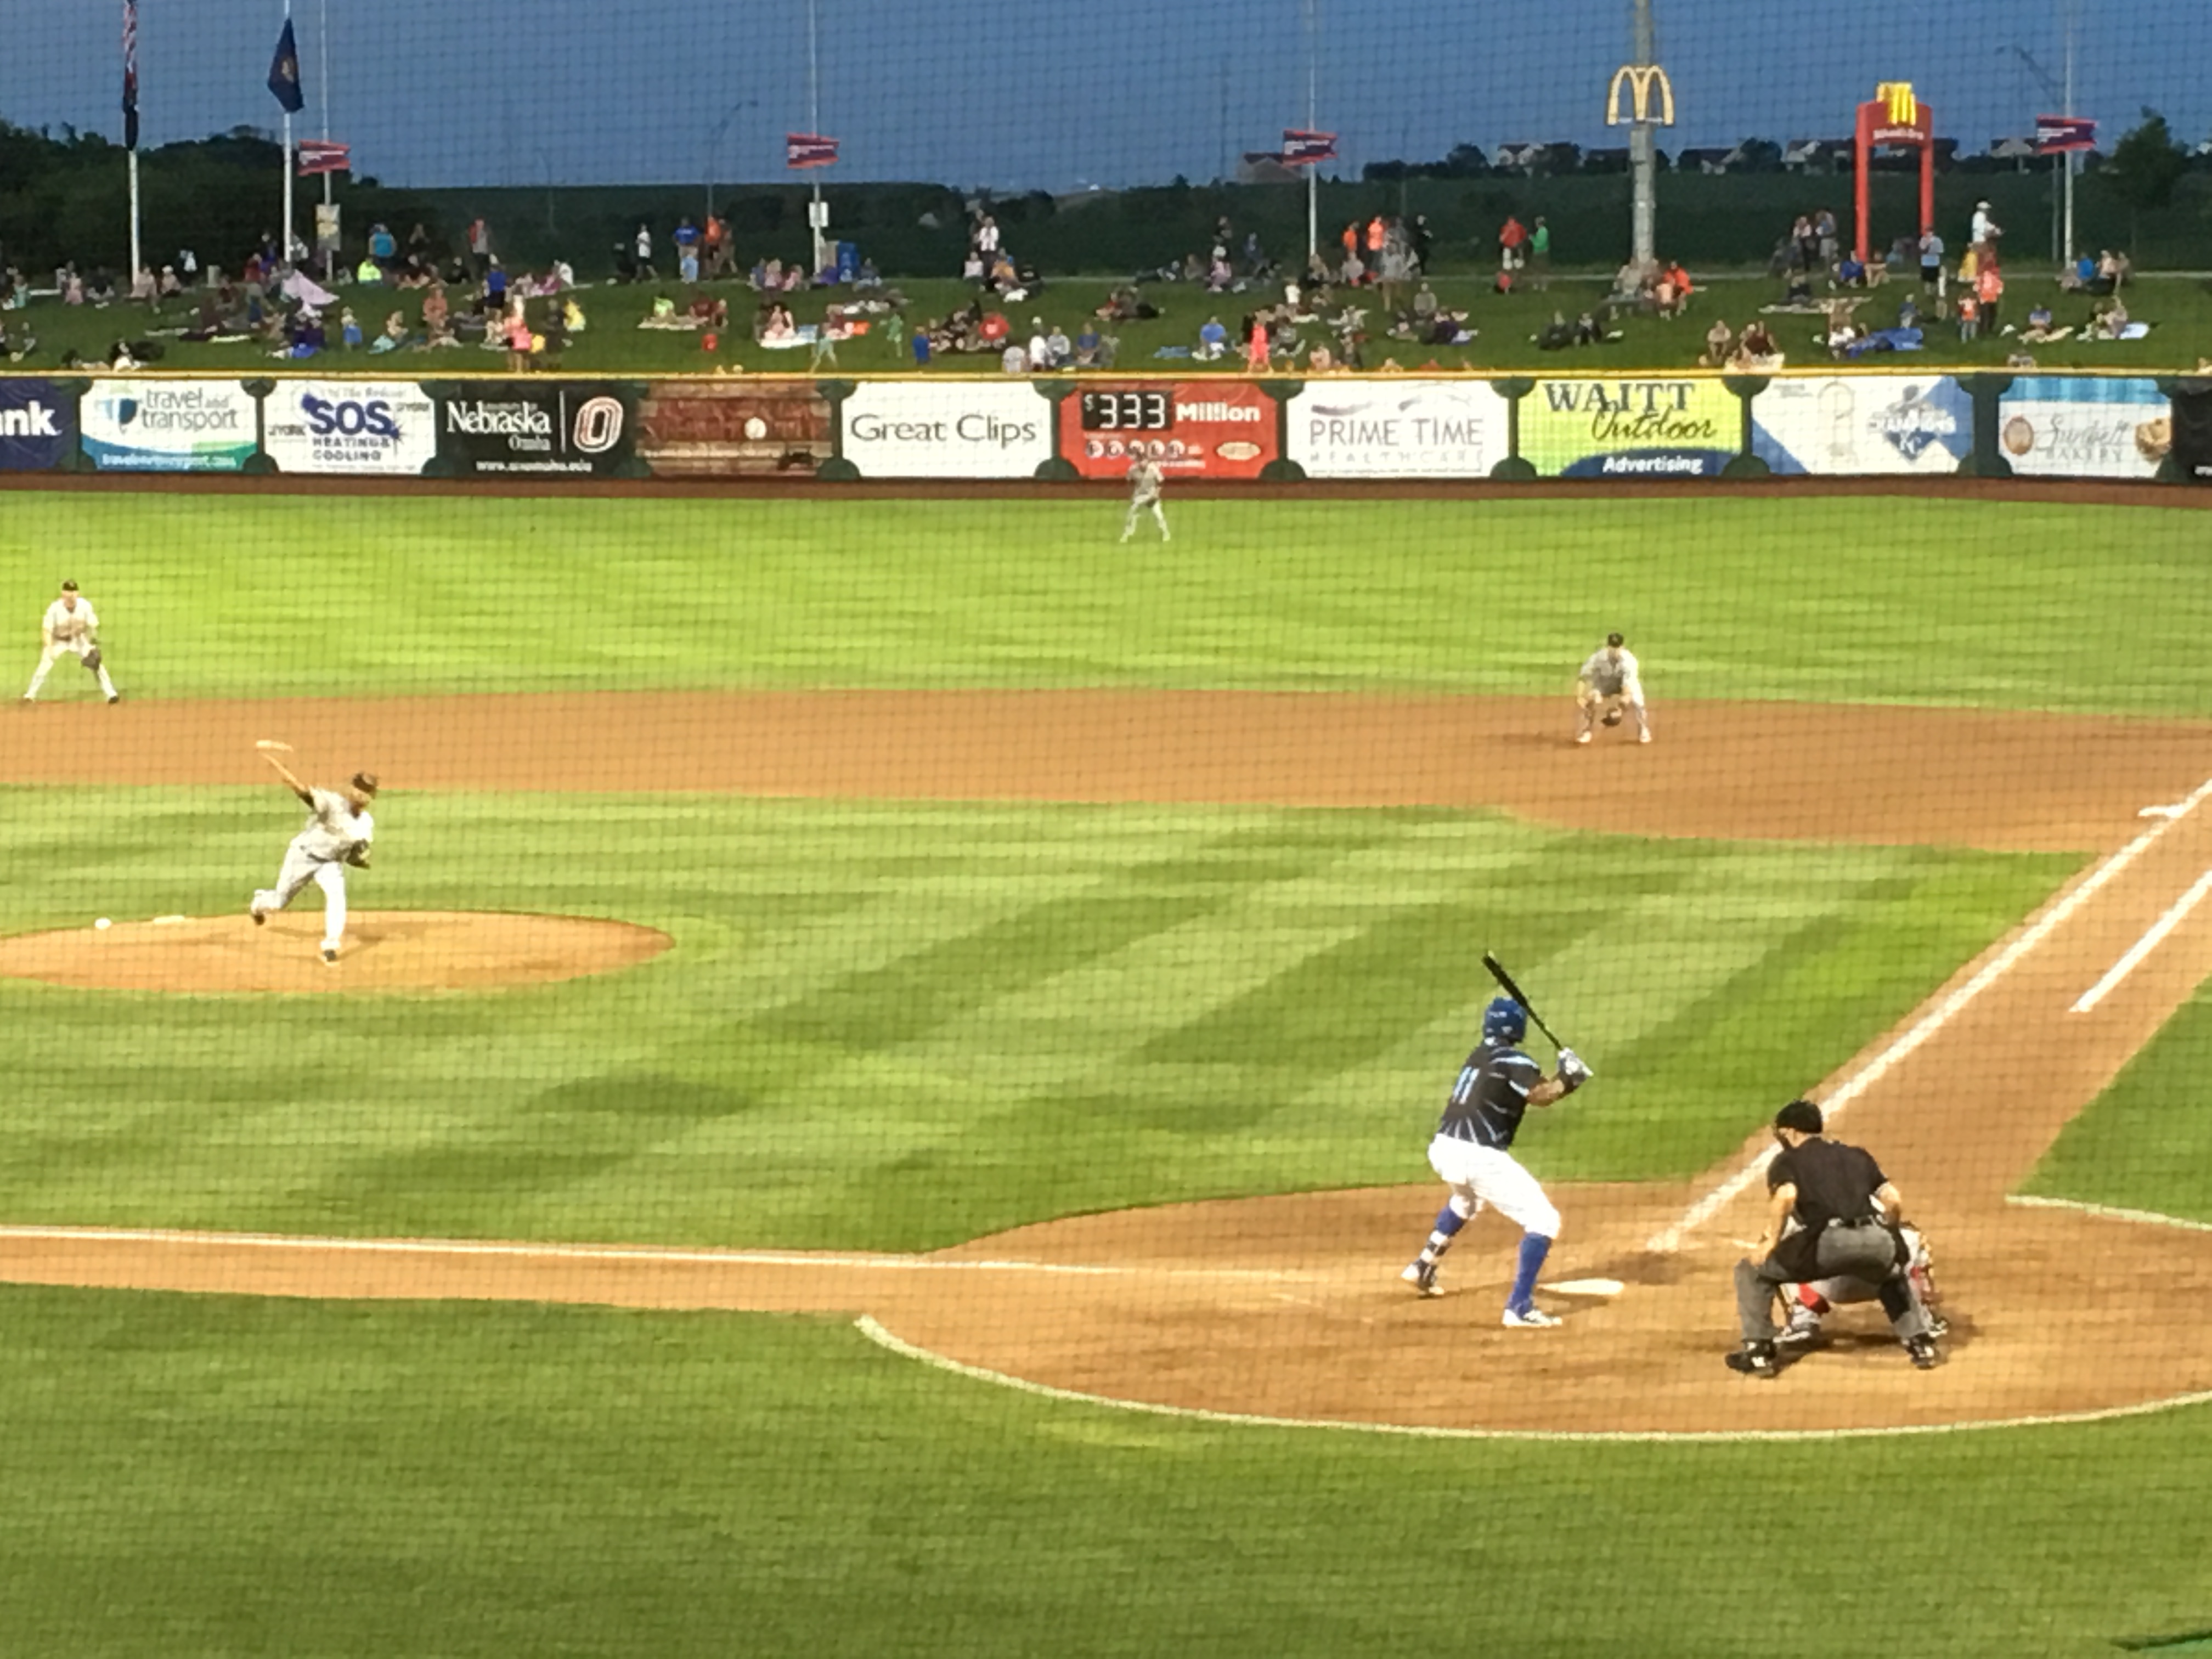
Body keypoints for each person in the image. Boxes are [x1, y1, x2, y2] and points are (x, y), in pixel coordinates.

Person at [1398, 997, 1592, 1326]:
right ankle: (1519, 1307)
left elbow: (1521, 1083)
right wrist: (1569, 1079)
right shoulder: (1515, 1059)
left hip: (1444, 1148)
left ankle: (1423, 1266)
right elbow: (1541, 1096)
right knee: (1544, 1221)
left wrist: (1563, 1075)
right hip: (1478, 1156)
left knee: (1466, 1200)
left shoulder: (1479, 1056)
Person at [1726, 1099, 1942, 1378]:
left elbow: (1786, 1197)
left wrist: (1772, 1242)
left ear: (1791, 1132)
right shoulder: (1856, 1155)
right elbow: (1893, 1200)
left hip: (1827, 1242)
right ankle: (1920, 1344)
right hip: (1873, 1238)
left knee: (1752, 1271)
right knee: (1890, 1272)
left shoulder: (1787, 1161)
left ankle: (1758, 1352)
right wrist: (1890, 1233)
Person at [249, 752, 377, 964]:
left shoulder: (366, 823)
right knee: (280, 902)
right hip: (303, 856)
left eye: (367, 792)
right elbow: (300, 789)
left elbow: (355, 854)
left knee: (337, 897)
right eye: (360, 790)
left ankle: (331, 946)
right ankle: (259, 903)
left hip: (330, 864)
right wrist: (277, 766)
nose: (362, 796)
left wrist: (359, 860)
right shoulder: (332, 804)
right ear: (352, 790)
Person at [22, 579, 120, 703]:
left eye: (74, 592)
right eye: (68, 592)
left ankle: (111, 694)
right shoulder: (55, 609)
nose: (71, 595)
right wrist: (49, 647)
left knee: (97, 665)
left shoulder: (85, 606)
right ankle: (30, 695)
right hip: (58, 641)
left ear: (78, 593)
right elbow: (46, 630)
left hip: (78, 639)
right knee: (45, 664)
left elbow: (92, 626)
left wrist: (90, 645)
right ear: (63, 594)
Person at [1575, 630, 1648, 744]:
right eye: (1612, 647)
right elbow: (1583, 677)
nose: (1614, 650)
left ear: (1622, 647)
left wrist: (1619, 710)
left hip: (1625, 686)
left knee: (1638, 702)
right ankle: (1587, 731)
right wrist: (1579, 697)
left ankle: (1643, 729)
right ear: (1608, 646)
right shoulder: (1597, 658)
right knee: (1592, 699)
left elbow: (1627, 691)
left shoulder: (1630, 661)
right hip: (1605, 685)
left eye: (1617, 647)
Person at [1120, 451, 1167, 543]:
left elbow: (1161, 482)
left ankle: (1165, 533)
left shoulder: (1153, 469)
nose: (1142, 463)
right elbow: (1128, 481)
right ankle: (1126, 535)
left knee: (1158, 516)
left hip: (1151, 495)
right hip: (1139, 496)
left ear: (1147, 461)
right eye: (1140, 461)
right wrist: (1131, 494)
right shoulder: (1133, 469)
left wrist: (1156, 494)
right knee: (1131, 515)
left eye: (1144, 461)